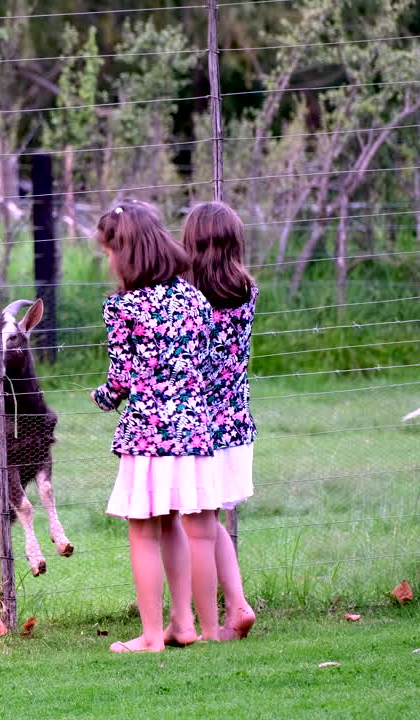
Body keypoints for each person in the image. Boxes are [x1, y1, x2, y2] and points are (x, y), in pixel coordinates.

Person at [91, 200, 222, 652]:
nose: (107, 261)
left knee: (144, 529)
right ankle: (182, 624)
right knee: (175, 525)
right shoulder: (194, 297)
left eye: (108, 251)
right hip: (193, 428)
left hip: (149, 430)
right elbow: (204, 361)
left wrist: (104, 396)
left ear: (124, 252)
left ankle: (150, 636)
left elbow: (124, 376)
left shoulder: (123, 307)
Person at [181, 200, 258, 641]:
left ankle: (204, 623)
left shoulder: (188, 297)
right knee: (210, 523)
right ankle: (238, 606)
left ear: (191, 242)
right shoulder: (247, 290)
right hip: (237, 424)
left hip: (197, 426)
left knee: (196, 527)